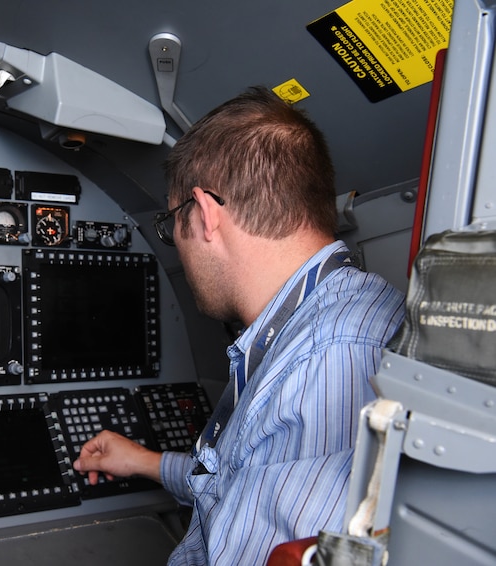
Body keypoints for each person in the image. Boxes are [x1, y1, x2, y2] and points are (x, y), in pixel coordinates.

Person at [72, 86, 405, 565]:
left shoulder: (325, 362)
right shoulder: (338, 311)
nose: (176, 249)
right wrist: (146, 463)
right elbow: (246, 481)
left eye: (170, 227)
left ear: (206, 214)